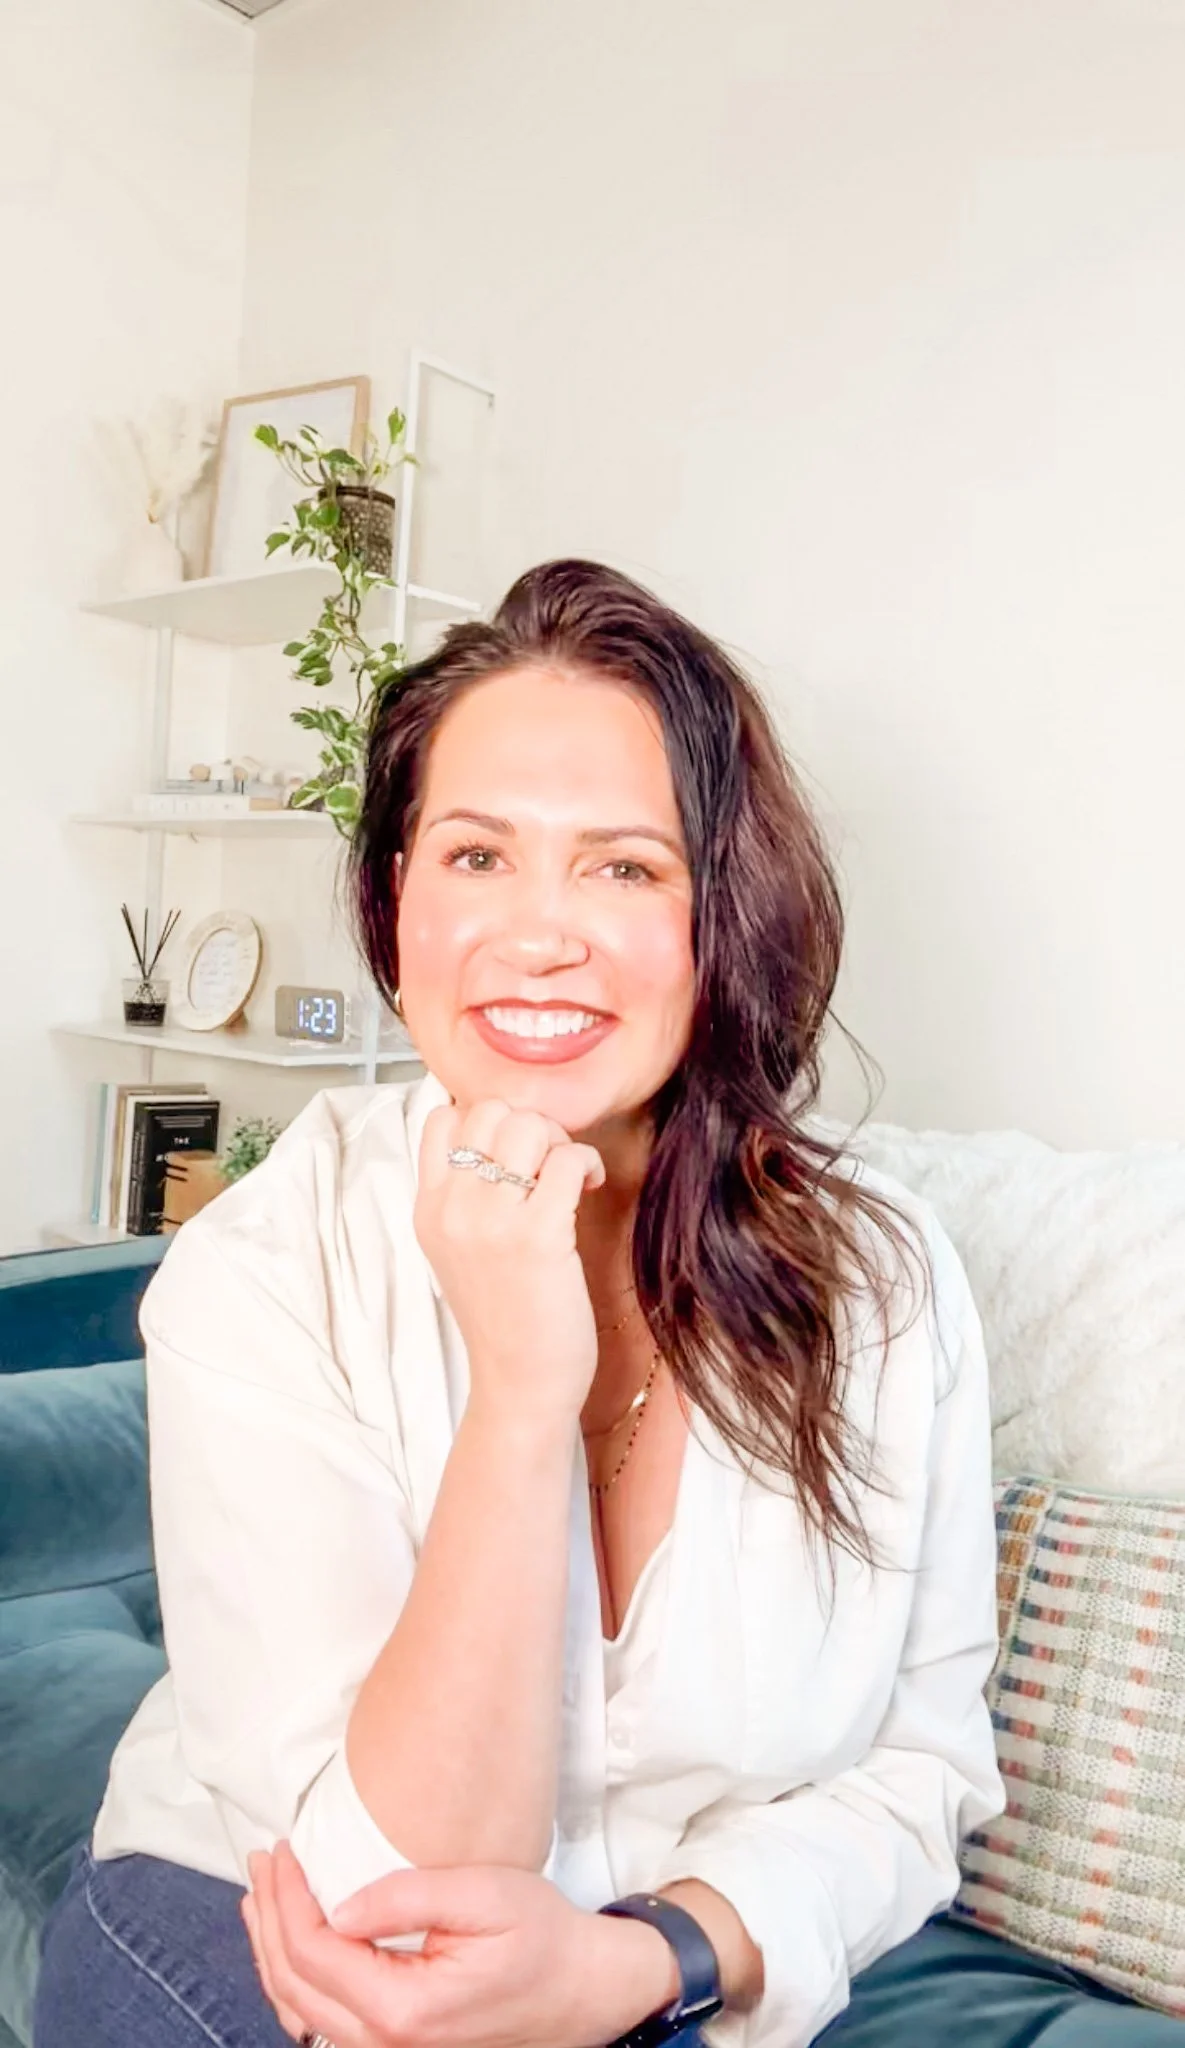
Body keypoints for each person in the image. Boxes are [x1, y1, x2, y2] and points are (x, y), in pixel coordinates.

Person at [33, 560, 1182, 2048]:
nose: (541, 933)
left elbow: (923, 1772)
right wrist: (520, 1393)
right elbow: (397, 1901)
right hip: (243, 1934)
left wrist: (654, 1959)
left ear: (723, 916)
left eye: (625, 866)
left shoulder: (878, 1283)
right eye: (475, 857)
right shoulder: (268, 1263)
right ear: (394, 906)